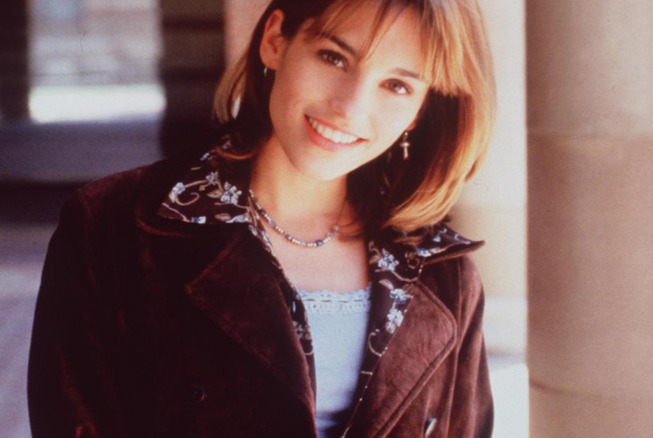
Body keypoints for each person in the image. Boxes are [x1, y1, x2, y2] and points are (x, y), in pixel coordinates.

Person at [27, 0, 496, 436]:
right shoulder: (113, 227)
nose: (350, 106)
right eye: (333, 57)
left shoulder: (444, 273)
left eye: (397, 85)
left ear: (419, 111)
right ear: (275, 40)